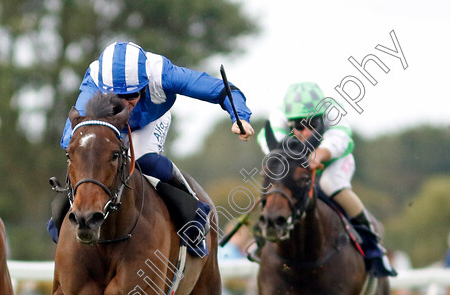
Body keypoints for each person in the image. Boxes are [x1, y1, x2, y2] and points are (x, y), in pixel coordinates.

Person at [52, 41, 254, 248]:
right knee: (88, 154)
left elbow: (221, 90)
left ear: (144, 84)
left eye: (131, 95)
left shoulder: (163, 74)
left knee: (143, 161)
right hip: (111, 125)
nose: (123, 104)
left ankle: (193, 210)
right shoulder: (95, 80)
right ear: (103, 89)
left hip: (151, 120)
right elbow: (72, 135)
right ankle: (60, 217)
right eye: (115, 97)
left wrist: (240, 116)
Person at [254, 82, 396, 277]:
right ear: (289, 121)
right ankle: (262, 233)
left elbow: (339, 139)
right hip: (297, 165)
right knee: (275, 181)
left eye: (311, 125)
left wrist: (319, 154)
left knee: (330, 184)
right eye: (298, 126)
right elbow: (268, 142)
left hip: (334, 161)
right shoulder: (279, 116)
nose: (304, 132)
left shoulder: (333, 112)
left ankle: (372, 242)